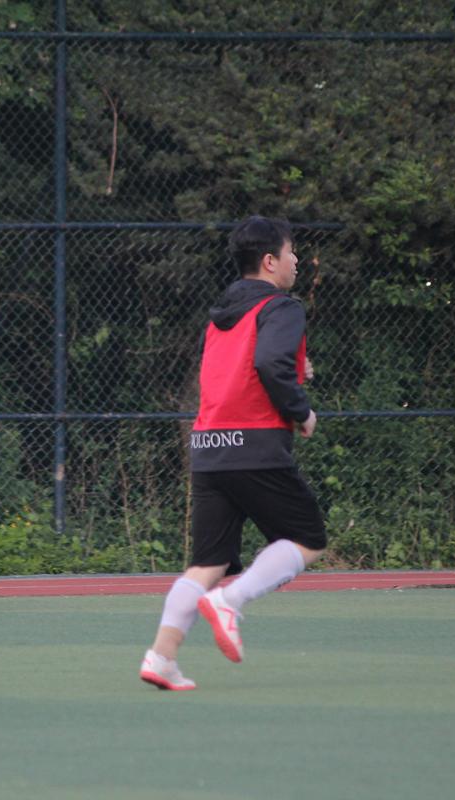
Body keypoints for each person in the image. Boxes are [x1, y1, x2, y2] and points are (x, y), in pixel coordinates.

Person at [139, 215, 326, 691]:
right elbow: (268, 363)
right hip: (255, 444)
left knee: (209, 563)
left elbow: (244, 365)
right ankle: (231, 602)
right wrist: (301, 411)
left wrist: (293, 368)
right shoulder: (281, 306)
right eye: (291, 252)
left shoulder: (221, 314)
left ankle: (161, 657)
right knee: (307, 538)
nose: (296, 260)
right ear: (270, 261)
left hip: (207, 447)